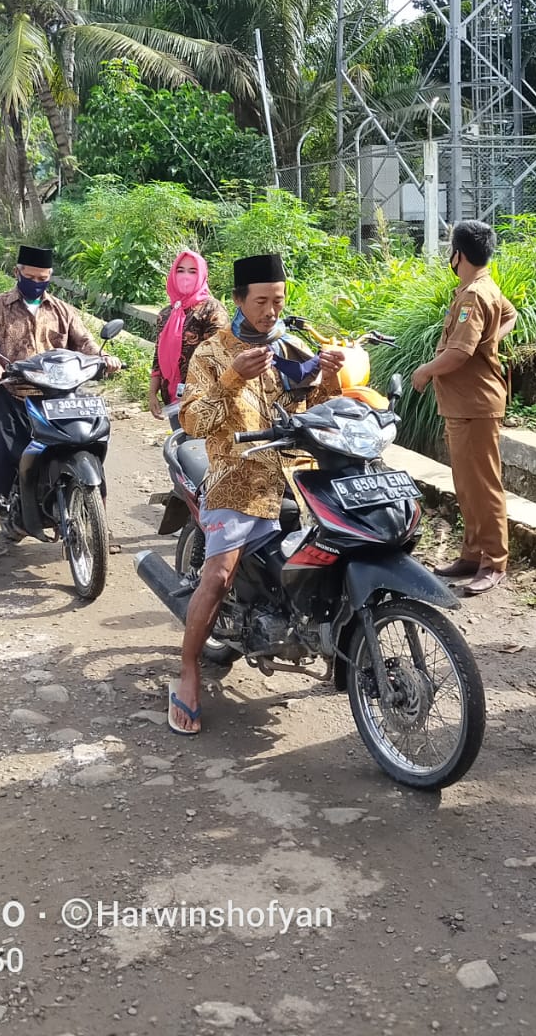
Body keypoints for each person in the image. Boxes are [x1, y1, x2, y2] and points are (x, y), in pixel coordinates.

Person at [171, 253, 346, 734]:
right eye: (262, 301)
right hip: (237, 478)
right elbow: (192, 422)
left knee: (340, 552)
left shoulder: (290, 346)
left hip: (297, 476)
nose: (271, 311)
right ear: (239, 301)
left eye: (279, 301)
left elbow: (317, 414)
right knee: (220, 574)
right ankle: (188, 672)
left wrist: (328, 375)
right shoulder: (213, 353)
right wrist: (233, 379)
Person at [0, 245, 121, 578]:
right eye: (30, 277)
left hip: (60, 396)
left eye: (43, 278)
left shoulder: (63, 309)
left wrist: (103, 358)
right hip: (12, 393)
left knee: (87, 445)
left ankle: (99, 525)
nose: (37, 283)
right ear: (17, 273)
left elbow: (85, 342)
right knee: (0, 460)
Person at [411, 220, 518, 595]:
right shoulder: (483, 286)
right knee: (467, 484)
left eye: (449, 249)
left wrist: (424, 371)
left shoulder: (474, 294)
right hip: (464, 404)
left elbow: (459, 352)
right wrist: (491, 343)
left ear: (459, 254)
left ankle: (493, 560)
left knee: (482, 485)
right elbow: (509, 315)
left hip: (475, 403)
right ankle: (473, 552)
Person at [149, 251, 228, 421]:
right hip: (171, 395)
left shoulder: (212, 311)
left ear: (201, 275)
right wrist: (152, 393)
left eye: (193, 271)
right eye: (180, 270)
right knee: (180, 444)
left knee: (196, 446)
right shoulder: (166, 314)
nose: (186, 276)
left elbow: (220, 358)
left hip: (203, 399)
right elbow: (158, 357)